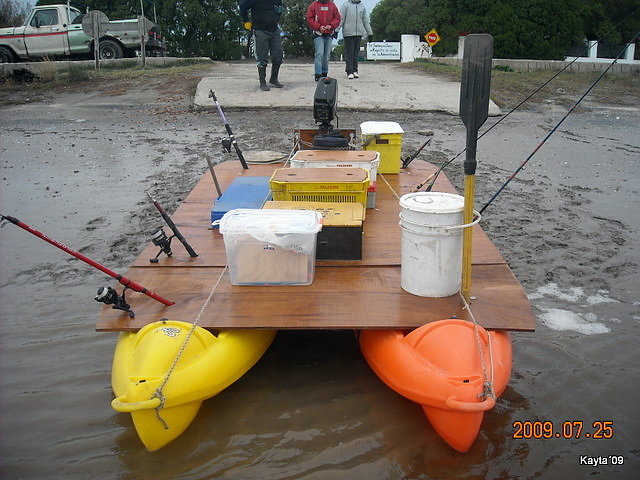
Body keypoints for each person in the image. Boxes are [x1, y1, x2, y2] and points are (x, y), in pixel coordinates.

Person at [239, 0, 284, 91]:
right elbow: (243, 7)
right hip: (260, 30)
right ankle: (262, 82)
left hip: (274, 29)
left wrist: (277, 16)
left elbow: (279, 9)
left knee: (278, 56)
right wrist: (246, 21)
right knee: (262, 58)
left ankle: (274, 79)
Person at [306, 0, 341, 81]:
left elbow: (337, 18)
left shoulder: (332, 5)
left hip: (329, 34)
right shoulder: (313, 5)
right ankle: (318, 74)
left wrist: (331, 25)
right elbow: (309, 18)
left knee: (326, 56)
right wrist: (318, 27)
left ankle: (324, 73)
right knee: (319, 54)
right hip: (318, 34)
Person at [338, 0, 372, 79]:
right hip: (348, 33)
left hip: (359, 33)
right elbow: (341, 19)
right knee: (350, 52)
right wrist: (336, 30)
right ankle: (349, 71)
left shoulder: (362, 6)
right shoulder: (345, 5)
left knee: (356, 52)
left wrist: (369, 33)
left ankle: (355, 70)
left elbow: (365, 20)